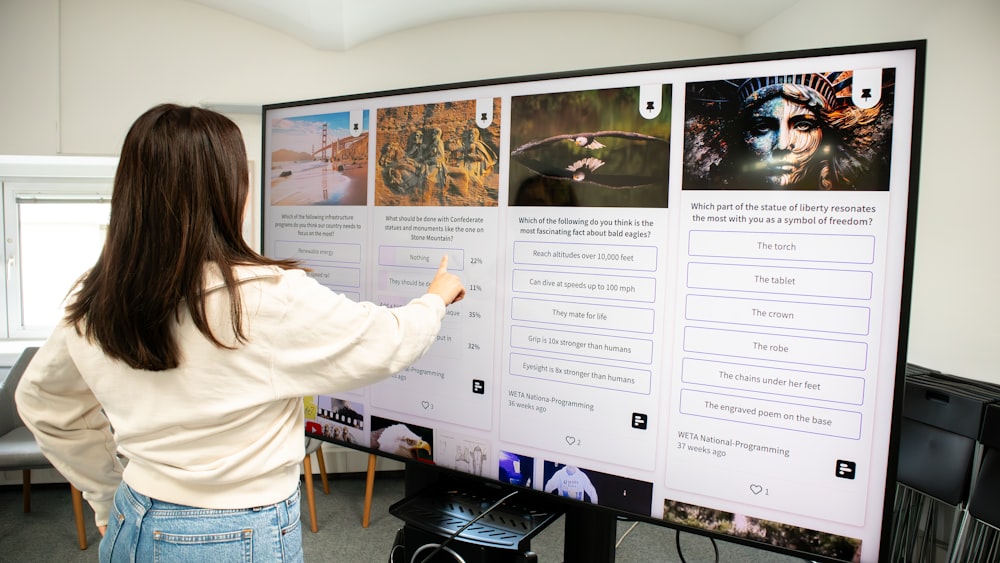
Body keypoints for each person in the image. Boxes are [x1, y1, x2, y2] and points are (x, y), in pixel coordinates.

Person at [14, 103, 465, 562]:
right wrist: (436, 299)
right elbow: (383, 342)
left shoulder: (96, 299)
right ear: (229, 191)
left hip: (133, 520)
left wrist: (105, 492)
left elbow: (44, 402)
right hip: (235, 533)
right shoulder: (262, 296)